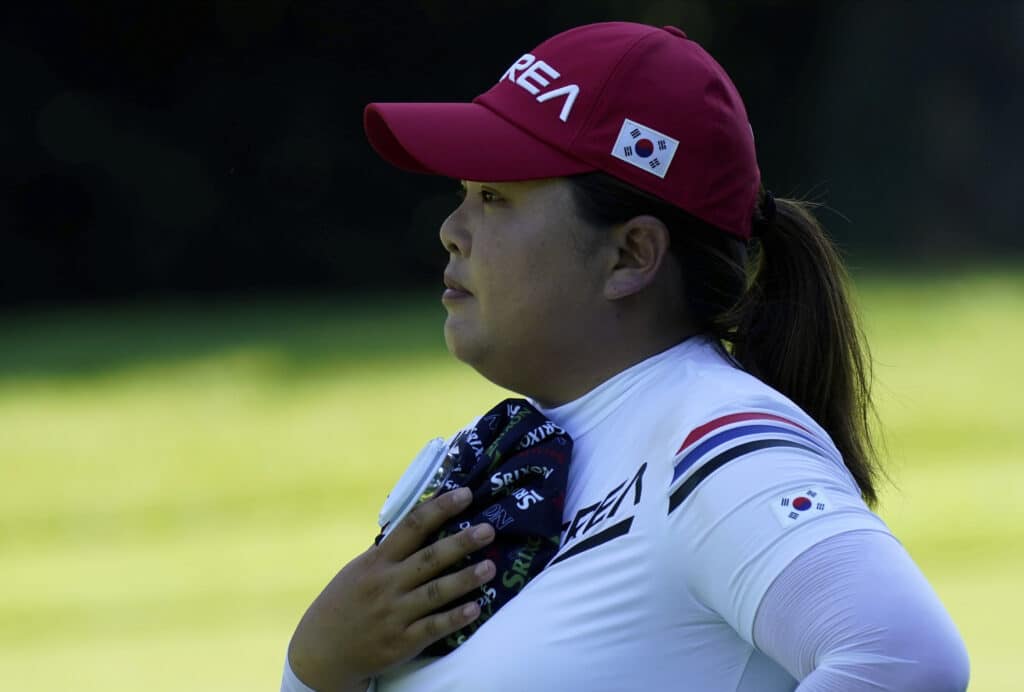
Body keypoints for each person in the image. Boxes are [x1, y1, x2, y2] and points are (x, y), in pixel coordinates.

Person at [282, 21, 969, 691]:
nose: (452, 230)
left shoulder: (717, 439)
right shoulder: (531, 450)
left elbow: (906, 661)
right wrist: (315, 666)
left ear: (631, 255)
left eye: (495, 197)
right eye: (464, 195)